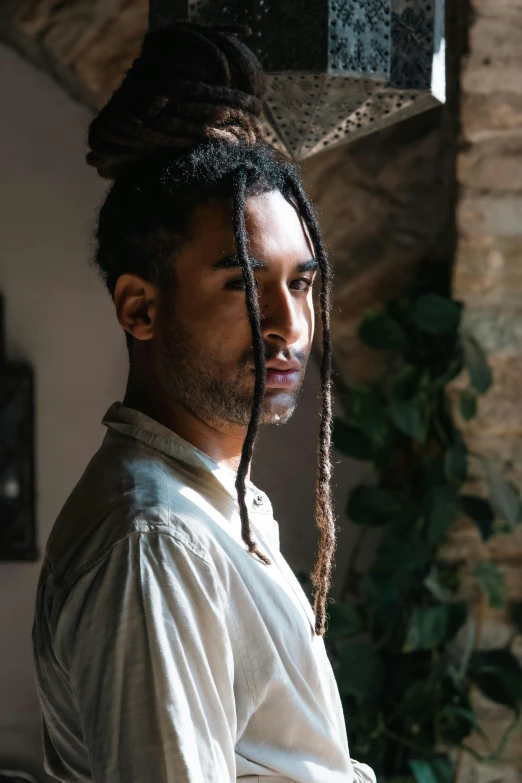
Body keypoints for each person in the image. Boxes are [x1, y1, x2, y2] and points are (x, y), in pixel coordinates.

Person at [32, 21, 376, 783]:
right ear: (140, 308)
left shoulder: (211, 501)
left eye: (303, 282)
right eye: (244, 284)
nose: (291, 324)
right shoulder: (155, 540)